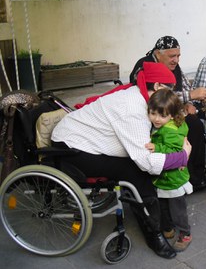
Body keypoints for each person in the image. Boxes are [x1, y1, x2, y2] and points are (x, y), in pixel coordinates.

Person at [51, 62, 191, 259]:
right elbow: (147, 162)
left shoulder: (140, 96)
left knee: (137, 164)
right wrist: (181, 157)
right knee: (137, 172)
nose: (173, 95)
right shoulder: (133, 108)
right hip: (71, 148)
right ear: (158, 86)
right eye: (171, 89)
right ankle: (154, 234)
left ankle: (154, 216)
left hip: (77, 136)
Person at [130, 36, 206, 192]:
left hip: (173, 110)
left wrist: (188, 103)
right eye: (172, 56)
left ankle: (195, 174)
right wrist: (190, 96)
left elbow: (185, 87)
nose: (176, 60)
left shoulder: (175, 67)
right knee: (191, 126)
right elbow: (153, 96)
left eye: (178, 56)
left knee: (195, 123)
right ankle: (180, 171)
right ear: (158, 54)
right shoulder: (144, 66)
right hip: (154, 113)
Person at [145, 88, 193, 251]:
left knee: (177, 210)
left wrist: (157, 147)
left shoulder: (171, 130)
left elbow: (175, 153)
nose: (156, 119)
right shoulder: (165, 126)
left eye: (162, 115)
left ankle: (185, 233)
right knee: (163, 206)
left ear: (172, 115)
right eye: (152, 113)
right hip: (164, 178)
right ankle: (168, 229)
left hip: (173, 179)